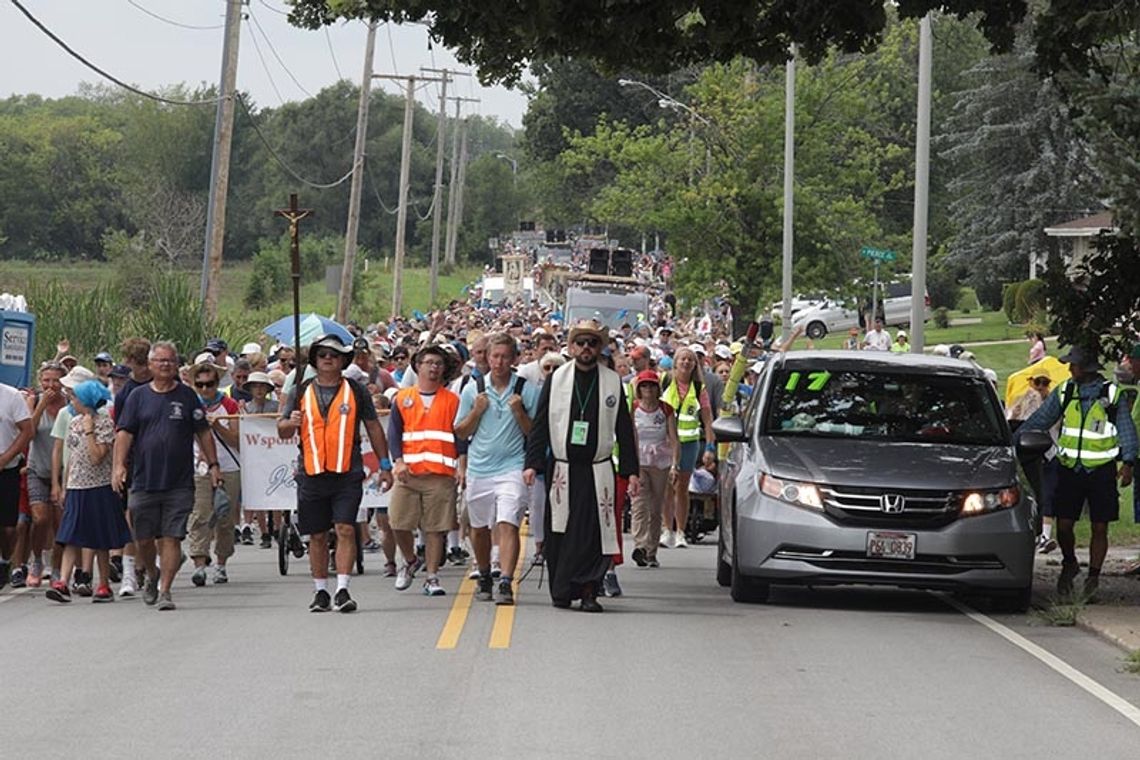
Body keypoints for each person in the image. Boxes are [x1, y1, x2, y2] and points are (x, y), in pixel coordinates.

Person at [524, 319, 640, 613]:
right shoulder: (557, 378)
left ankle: (589, 590)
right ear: (572, 347)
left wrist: (631, 471)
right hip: (563, 469)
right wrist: (532, 462)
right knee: (560, 531)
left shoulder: (612, 381)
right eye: (581, 343)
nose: (586, 348)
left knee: (593, 534)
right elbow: (539, 425)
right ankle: (562, 589)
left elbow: (624, 430)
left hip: (597, 470)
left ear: (599, 347)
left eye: (592, 343)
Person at [278, 334, 393, 613]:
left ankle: (342, 589)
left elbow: (373, 426)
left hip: (347, 470)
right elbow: (282, 428)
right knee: (316, 535)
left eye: (334, 354)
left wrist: (385, 464)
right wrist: (289, 421)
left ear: (343, 360)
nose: (328, 358)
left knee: (344, 528)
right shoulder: (300, 390)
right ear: (315, 361)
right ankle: (320, 591)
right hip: (312, 471)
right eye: (322, 355)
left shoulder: (356, 390)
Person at [112, 341, 223, 611]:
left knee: (172, 537)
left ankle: (166, 591)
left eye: (170, 361)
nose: (165, 365)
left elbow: (203, 432)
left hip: (179, 481)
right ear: (150, 365)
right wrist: (118, 466)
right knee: (144, 539)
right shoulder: (137, 397)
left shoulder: (187, 396)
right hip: (144, 479)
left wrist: (214, 466)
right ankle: (152, 573)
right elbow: (124, 433)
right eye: (160, 361)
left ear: (177, 365)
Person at [1019, 346, 1137, 599]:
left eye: (1074, 365)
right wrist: (1015, 440)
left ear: (1087, 368)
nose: (1070, 369)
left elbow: (1126, 429)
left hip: (1101, 471)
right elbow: (1041, 419)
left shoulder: (1111, 394)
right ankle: (1069, 562)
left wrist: (1128, 463)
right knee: (1063, 526)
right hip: (1069, 469)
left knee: (1100, 527)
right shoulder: (1066, 391)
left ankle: (1093, 576)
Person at [454, 333, 539, 605]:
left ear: (514, 359)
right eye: (494, 356)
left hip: (512, 465)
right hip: (480, 467)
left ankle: (505, 580)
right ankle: (484, 574)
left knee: (508, 522)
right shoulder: (473, 388)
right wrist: (476, 411)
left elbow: (534, 433)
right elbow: (460, 430)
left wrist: (519, 413)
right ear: (487, 358)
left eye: (504, 356)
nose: (499, 362)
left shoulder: (526, 389)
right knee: (478, 529)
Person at [387, 345, 463, 597]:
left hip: (440, 474)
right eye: (428, 362)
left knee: (435, 529)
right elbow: (394, 433)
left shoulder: (453, 400)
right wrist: (397, 461)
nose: (433, 367)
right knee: (397, 521)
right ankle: (409, 560)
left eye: (438, 363)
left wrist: (461, 466)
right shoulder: (402, 397)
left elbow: (460, 436)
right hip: (409, 473)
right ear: (417, 366)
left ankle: (432, 576)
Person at [46, 381, 131, 604]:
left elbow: (97, 456)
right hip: (76, 486)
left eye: (75, 398)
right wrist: (65, 485)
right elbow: (72, 457)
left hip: (98, 487)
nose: (72, 402)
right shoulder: (73, 422)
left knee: (99, 537)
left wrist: (90, 430)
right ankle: (63, 582)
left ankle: (103, 583)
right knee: (70, 535)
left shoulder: (104, 423)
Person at [186, 361, 241, 587]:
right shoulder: (191, 406)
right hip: (199, 468)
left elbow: (236, 440)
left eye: (209, 384)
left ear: (217, 383)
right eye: (200, 385)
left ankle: (221, 563)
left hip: (228, 465)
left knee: (225, 518)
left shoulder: (229, 405)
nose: (205, 389)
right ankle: (200, 565)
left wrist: (216, 426)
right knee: (200, 515)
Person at [661, 346, 714, 549]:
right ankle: (667, 528)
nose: (686, 363)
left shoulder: (699, 388)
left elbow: (708, 420)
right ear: (675, 362)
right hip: (666, 442)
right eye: (682, 359)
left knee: (682, 487)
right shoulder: (665, 381)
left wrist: (709, 446)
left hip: (689, 443)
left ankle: (681, 531)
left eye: (690, 360)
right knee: (666, 486)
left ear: (695, 365)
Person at [22, 362, 67, 588]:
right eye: (46, 380)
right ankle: (36, 559)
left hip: (63, 472)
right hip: (37, 468)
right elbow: (28, 432)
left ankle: (57, 567)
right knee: (40, 518)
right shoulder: (34, 400)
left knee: (61, 523)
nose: (51, 385)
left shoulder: (69, 404)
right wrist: (41, 406)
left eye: (56, 380)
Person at [629, 370, 677, 568]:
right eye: (644, 386)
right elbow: (630, 437)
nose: (648, 389)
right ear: (639, 389)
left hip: (661, 462)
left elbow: (674, 438)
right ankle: (640, 545)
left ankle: (651, 551)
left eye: (651, 385)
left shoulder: (666, 409)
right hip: (639, 461)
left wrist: (675, 464)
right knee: (639, 505)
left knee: (656, 508)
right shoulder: (633, 409)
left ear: (657, 388)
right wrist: (631, 465)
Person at [1007, 371, 1058, 553]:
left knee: (1047, 496)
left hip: (1050, 455)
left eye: (1045, 383)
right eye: (1038, 382)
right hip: (1027, 457)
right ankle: (1035, 535)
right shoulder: (1021, 403)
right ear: (1031, 383)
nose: (1041, 387)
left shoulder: (1053, 405)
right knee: (1031, 496)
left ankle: (1044, 536)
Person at [0, 382, 34, 588]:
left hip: (8, 468)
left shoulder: (11, 396)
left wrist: (6, 458)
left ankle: (5, 560)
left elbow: (27, 431)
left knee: (8, 528)